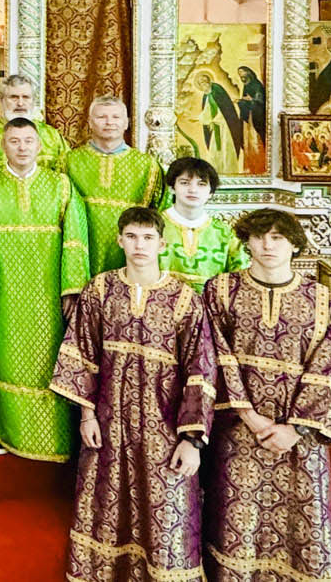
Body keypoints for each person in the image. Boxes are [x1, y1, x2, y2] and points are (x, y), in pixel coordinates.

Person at [51, 206, 215, 581]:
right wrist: (87, 415)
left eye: (148, 237)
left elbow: (201, 371)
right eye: (132, 237)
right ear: (119, 240)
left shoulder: (185, 299)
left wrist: (192, 440)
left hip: (165, 431)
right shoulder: (100, 289)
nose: (139, 245)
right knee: (107, 507)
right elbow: (82, 351)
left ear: (161, 243)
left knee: (168, 512)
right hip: (109, 427)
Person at [203, 209, 331, 582]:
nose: (267, 245)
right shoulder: (221, 289)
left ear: (294, 243)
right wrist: (250, 415)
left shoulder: (322, 298)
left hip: (300, 438)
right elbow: (216, 354)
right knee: (237, 524)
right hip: (240, 430)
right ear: (247, 242)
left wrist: (296, 427)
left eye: (277, 237)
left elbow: (326, 365)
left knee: (302, 522)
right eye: (259, 237)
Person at [0, 118, 89, 458]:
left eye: (28, 141)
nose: (21, 147)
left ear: (39, 145)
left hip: (48, 292)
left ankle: (54, 436)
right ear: (3, 145)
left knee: (49, 359)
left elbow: (75, 239)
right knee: (6, 358)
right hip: (3, 290)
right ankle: (4, 433)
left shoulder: (60, 185)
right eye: (14, 141)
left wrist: (71, 289)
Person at [67, 95, 164, 274]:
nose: (109, 122)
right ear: (89, 122)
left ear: (126, 123)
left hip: (132, 251)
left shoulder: (147, 165)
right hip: (83, 248)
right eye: (102, 117)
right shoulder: (69, 162)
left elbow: (159, 212)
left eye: (116, 117)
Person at [160, 156, 248, 292]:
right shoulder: (153, 227)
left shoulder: (225, 233)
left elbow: (240, 277)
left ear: (211, 193)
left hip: (210, 308)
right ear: (172, 187)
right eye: (184, 183)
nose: (193, 190)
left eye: (201, 184)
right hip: (160, 304)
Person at [0, 73, 68, 176]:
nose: (20, 103)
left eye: (26, 97)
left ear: (33, 101)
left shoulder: (52, 135)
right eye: (14, 97)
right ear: (1, 100)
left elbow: (65, 176)